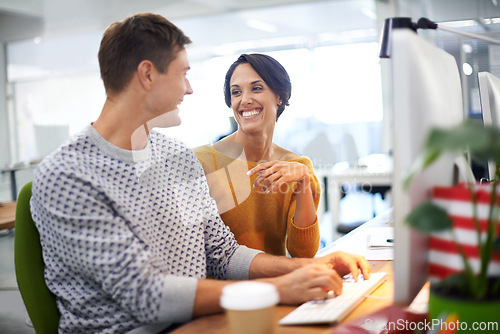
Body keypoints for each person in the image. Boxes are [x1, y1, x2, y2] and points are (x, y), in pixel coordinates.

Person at [30, 13, 370, 333]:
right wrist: (279, 288)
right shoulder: (68, 175)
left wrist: (311, 267)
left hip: (202, 321)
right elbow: (146, 295)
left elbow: (222, 253)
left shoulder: (175, 156)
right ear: (147, 75)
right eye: (183, 73)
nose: (189, 88)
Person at [195, 54, 320, 258]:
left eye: (256, 88)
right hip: (222, 289)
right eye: (236, 92)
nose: (244, 100)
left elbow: (303, 253)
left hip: (276, 286)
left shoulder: (297, 167)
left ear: (279, 97)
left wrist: (304, 182)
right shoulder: (203, 161)